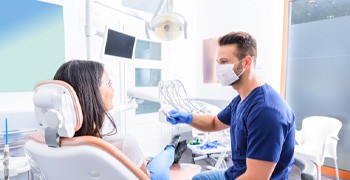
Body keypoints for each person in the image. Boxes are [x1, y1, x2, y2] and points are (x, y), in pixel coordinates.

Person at [166, 31, 295, 180]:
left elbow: (255, 178)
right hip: (237, 173)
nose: (219, 68)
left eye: (224, 61)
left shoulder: (266, 112)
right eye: (218, 62)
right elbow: (214, 123)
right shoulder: (241, 99)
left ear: (246, 62)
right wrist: (187, 118)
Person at [53, 60, 187, 180]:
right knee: (161, 161)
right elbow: (145, 177)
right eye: (109, 84)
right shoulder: (124, 143)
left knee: (149, 159)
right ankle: (171, 149)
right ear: (92, 93)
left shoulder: (52, 144)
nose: (113, 89)